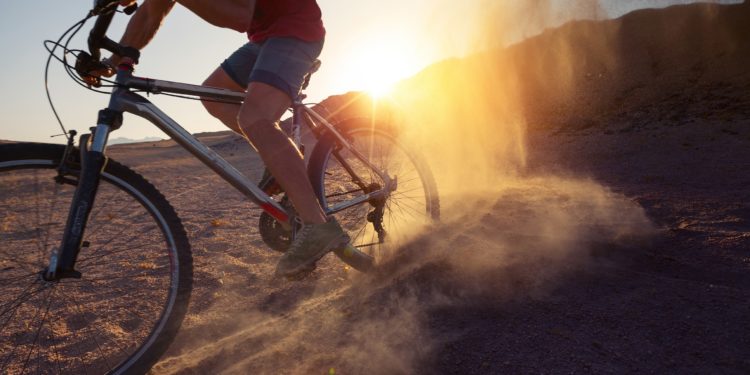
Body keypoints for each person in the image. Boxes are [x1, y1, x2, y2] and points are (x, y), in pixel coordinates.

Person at [105, 0, 349, 277]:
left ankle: (318, 226)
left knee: (255, 117)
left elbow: (240, 17)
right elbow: (150, 12)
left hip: (296, 30)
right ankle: (281, 161)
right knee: (212, 94)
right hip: (265, 38)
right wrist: (113, 61)